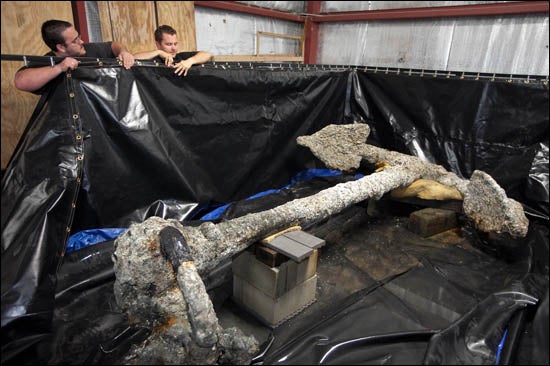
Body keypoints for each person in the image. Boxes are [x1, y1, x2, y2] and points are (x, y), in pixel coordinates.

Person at [15, 19, 135, 93]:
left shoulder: (86, 49)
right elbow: (20, 81)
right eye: (75, 41)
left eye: (79, 37)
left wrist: (123, 52)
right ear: (61, 47)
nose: (81, 42)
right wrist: (59, 68)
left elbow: (114, 45)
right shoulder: (48, 62)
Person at [134, 25, 212, 76]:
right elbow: (133, 58)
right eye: (169, 44)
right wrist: (159, 52)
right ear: (158, 44)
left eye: (175, 44)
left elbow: (207, 54)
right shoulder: (154, 59)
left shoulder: (182, 58)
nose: (174, 48)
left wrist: (190, 61)